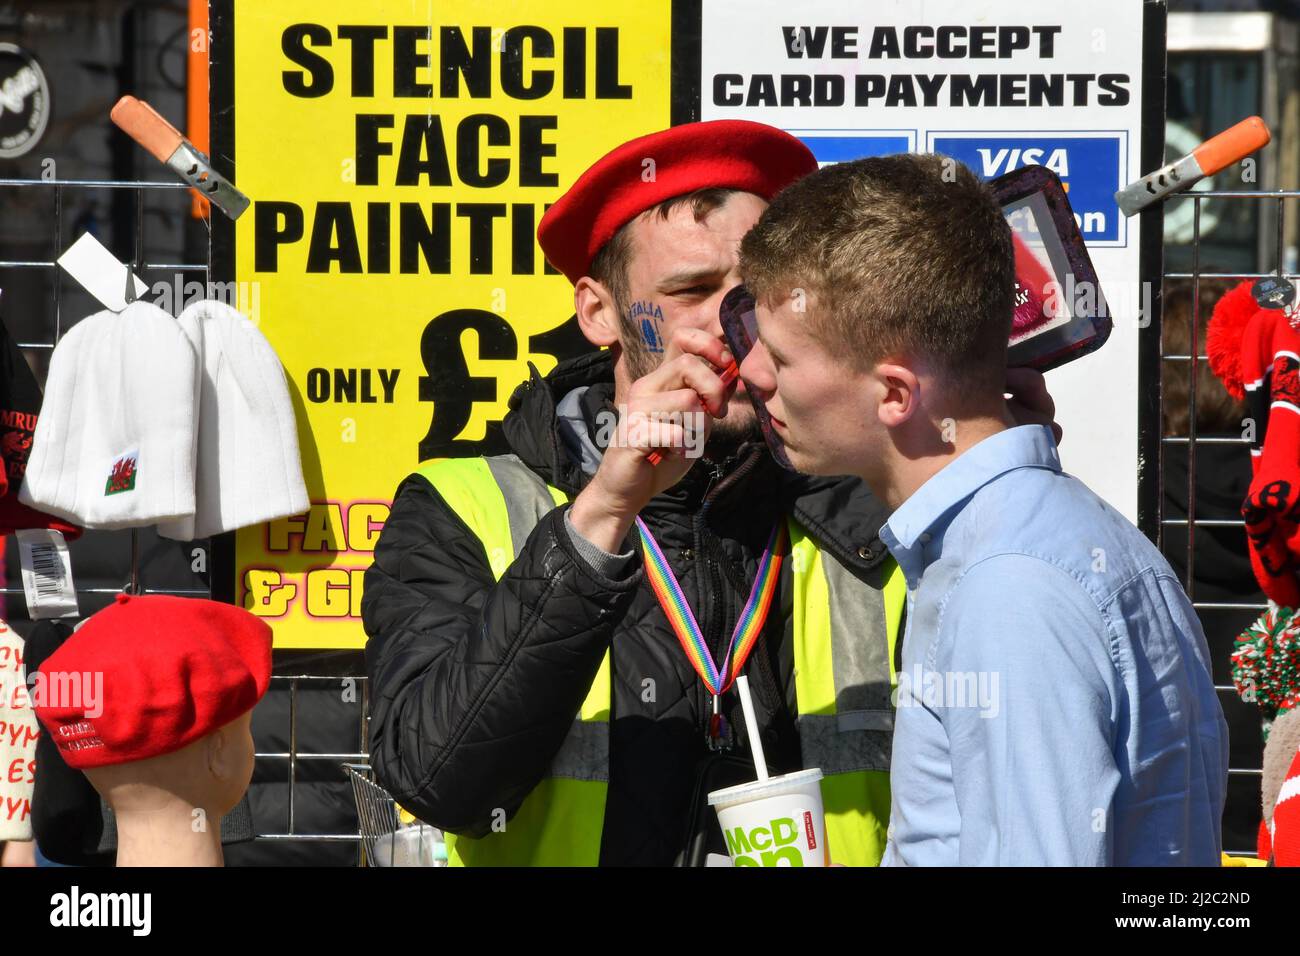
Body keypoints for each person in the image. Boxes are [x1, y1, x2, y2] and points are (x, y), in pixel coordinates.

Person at [362, 121, 1058, 866]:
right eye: (692, 292)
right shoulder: (460, 504)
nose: (738, 327)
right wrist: (599, 518)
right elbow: (441, 780)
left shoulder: (876, 494)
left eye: (758, 294)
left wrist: (998, 473)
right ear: (598, 312)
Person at [735, 152, 1230, 865]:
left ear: (896, 394)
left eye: (780, 359)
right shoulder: (1042, 541)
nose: (750, 373)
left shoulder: (1009, 583)